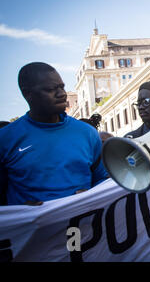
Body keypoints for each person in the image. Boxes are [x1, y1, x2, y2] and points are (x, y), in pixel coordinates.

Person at [0, 62, 108, 205]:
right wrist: (20, 210)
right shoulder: (6, 138)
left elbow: (103, 181)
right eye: (51, 89)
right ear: (27, 94)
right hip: (32, 227)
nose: (62, 94)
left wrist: (91, 194)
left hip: (81, 226)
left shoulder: (87, 133)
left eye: (62, 87)